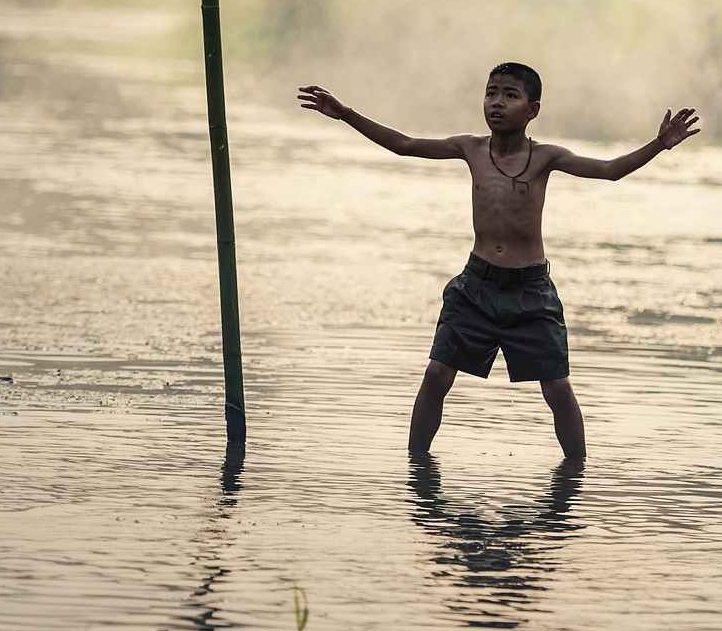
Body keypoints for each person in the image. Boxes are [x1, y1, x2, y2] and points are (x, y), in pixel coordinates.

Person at [299, 63, 698, 460]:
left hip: (531, 292)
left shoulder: (546, 157)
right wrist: (346, 114)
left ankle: (576, 477)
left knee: (557, 388)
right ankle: (415, 470)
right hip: (476, 286)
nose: (497, 103)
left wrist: (658, 144)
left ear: (532, 109)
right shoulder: (470, 148)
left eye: (510, 95)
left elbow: (609, 171)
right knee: (437, 374)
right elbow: (405, 145)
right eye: (491, 93)